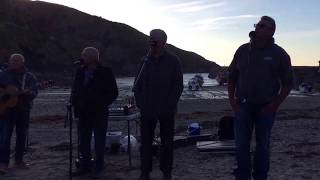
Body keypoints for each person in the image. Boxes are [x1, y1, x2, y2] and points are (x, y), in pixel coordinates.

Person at [228, 16, 294, 180]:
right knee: (241, 145)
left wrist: (274, 105)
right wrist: (232, 101)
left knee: (263, 146)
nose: (258, 27)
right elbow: (232, 77)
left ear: (271, 31)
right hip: (243, 106)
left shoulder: (279, 53)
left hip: (266, 108)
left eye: (262, 25)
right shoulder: (242, 50)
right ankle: (242, 176)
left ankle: (260, 177)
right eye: (257, 24)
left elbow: (288, 83)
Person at [133, 29, 183, 180]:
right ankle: (145, 172)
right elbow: (137, 84)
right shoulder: (144, 61)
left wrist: (169, 105)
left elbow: (178, 86)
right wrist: (141, 103)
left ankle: (166, 172)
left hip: (166, 110)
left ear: (163, 42)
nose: (151, 42)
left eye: (153, 39)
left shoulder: (173, 61)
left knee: (167, 143)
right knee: (146, 142)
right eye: (150, 39)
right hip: (147, 109)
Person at [71, 47, 118, 177]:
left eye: (84, 56)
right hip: (83, 113)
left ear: (92, 58)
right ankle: (85, 165)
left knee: (99, 141)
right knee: (83, 141)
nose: (81, 58)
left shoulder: (106, 72)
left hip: (99, 112)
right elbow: (75, 90)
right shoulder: (80, 72)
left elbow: (114, 92)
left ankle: (99, 167)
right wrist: (74, 103)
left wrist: (101, 103)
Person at [0, 53, 38, 174]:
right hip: (6, 110)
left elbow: (34, 92)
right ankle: (3, 163)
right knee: (5, 137)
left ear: (22, 62)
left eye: (16, 61)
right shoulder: (3, 75)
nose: (13, 63)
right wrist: (4, 95)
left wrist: (28, 93)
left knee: (22, 136)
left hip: (23, 110)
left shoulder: (29, 77)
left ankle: (19, 161)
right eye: (11, 60)